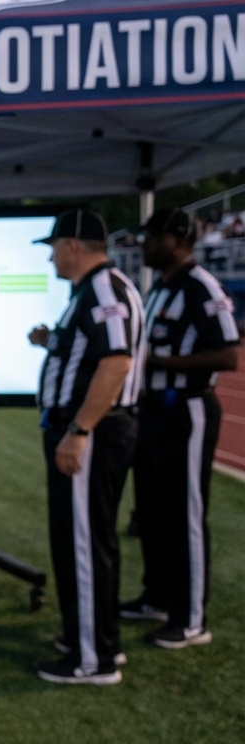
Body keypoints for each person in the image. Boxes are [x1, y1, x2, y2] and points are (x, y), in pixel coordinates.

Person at [27, 210, 145, 685]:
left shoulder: (101, 288)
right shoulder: (100, 288)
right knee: (90, 540)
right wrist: (52, 342)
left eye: (54, 247)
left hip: (93, 433)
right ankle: (93, 638)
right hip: (94, 430)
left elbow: (114, 363)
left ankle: (90, 657)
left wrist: (78, 430)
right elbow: (93, 351)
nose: (52, 257)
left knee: (83, 543)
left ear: (73, 245)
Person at [127, 207, 239, 648]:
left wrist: (160, 363)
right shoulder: (160, 289)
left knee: (186, 514)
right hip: (154, 411)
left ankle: (191, 618)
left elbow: (228, 355)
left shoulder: (201, 287)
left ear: (177, 239)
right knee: (152, 510)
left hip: (186, 410)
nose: (146, 246)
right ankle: (156, 596)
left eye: (153, 238)